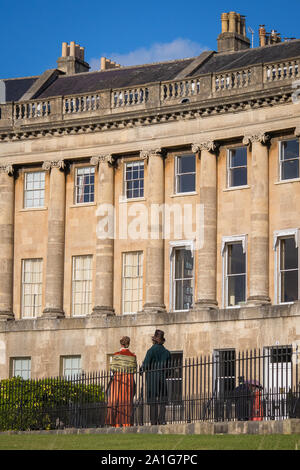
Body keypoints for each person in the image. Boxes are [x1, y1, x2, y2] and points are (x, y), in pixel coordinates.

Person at [105, 336, 137, 427]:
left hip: (118, 378)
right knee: (126, 400)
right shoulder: (133, 356)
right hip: (129, 378)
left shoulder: (116, 354)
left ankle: (115, 423)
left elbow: (112, 368)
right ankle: (126, 422)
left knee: (115, 400)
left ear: (121, 344)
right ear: (128, 344)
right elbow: (134, 369)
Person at [141, 329, 171, 425]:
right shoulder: (167, 352)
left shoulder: (151, 350)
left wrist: (142, 370)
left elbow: (145, 365)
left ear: (154, 339)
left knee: (152, 400)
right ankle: (161, 420)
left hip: (151, 378)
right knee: (162, 399)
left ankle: (153, 421)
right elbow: (169, 369)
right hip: (162, 378)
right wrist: (165, 375)